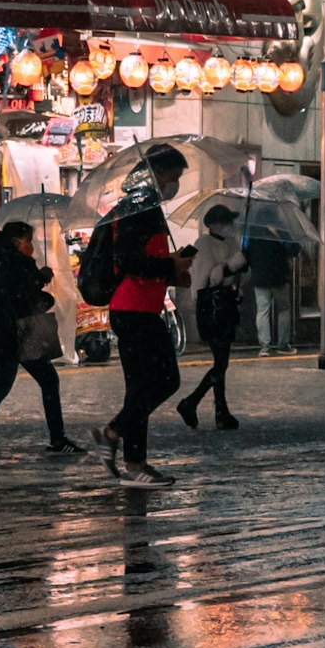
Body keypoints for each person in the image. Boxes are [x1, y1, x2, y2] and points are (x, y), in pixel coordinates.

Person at [98, 162, 183, 478]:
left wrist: (173, 264)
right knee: (165, 380)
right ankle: (112, 435)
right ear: (156, 175)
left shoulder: (142, 208)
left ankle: (135, 464)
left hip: (142, 307)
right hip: (133, 309)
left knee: (139, 389)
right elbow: (130, 260)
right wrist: (169, 267)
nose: (176, 182)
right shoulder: (137, 211)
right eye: (173, 174)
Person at [0, 207, 71, 455]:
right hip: (21, 331)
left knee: (1, 386)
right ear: (16, 241)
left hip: (7, 331)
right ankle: (57, 439)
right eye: (29, 241)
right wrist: (41, 277)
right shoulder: (14, 262)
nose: (31, 246)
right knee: (46, 380)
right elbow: (20, 292)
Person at [174, 198, 250, 429]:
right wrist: (231, 265)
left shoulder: (230, 243)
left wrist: (238, 267)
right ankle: (193, 402)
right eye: (227, 222)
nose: (230, 226)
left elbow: (233, 278)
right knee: (221, 363)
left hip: (225, 308)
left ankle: (219, 411)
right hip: (212, 309)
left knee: (221, 362)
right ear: (215, 225)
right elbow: (209, 280)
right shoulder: (205, 244)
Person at [243, 187, 301, 356]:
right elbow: (294, 249)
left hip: (259, 275)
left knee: (263, 310)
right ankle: (283, 344)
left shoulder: (252, 231)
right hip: (279, 275)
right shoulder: (282, 231)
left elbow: (245, 249)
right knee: (284, 309)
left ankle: (265, 347)